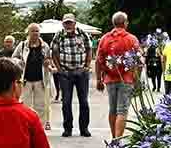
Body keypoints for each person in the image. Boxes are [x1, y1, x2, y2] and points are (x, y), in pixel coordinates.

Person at [95, 11, 142, 139]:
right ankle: (118, 140)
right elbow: (139, 62)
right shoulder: (131, 39)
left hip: (109, 79)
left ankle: (114, 137)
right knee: (122, 110)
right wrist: (137, 80)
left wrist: (99, 79)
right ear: (125, 23)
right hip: (126, 79)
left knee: (112, 109)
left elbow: (99, 60)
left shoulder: (105, 38)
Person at [51, 13, 92, 137]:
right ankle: (67, 128)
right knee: (66, 102)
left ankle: (84, 128)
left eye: (70, 22)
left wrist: (86, 66)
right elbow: (54, 52)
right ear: (63, 24)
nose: (68, 25)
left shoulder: (83, 34)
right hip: (65, 73)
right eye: (66, 23)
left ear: (75, 23)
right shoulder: (59, 35)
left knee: (84, 102)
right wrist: (59, 69)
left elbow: (89, 49)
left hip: (81, 72)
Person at [12, 23, 54, 130]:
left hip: (41, 79)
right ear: (28, 32)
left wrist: (48, 62)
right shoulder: (22, 45)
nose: (35, 33)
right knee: (25, 104)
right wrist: (19, 62)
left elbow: (49, 59)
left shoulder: (45, 46)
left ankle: (39, 127)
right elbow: (14, 58)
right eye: (33, 31)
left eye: (37, 31)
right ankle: (25, 125)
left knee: (41, 105)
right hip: (25, 79)